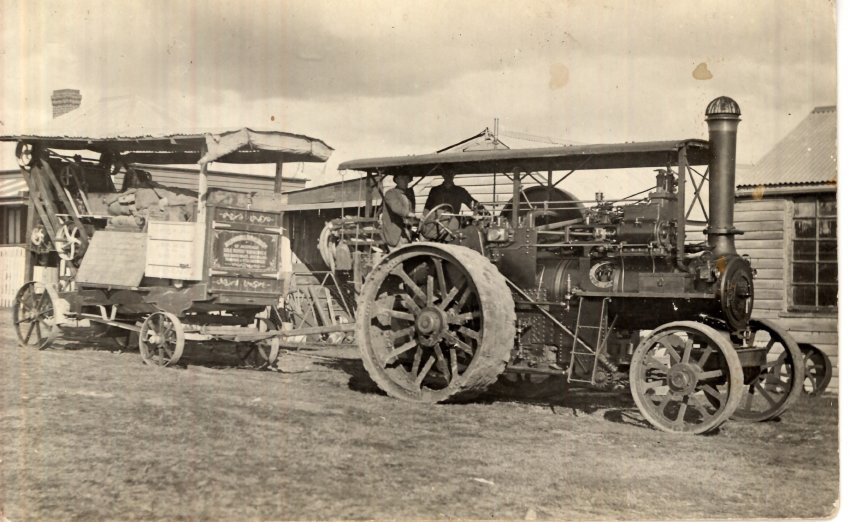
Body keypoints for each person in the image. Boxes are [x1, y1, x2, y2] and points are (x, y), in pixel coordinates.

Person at [381, 174, 417, 247]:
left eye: (407, 179)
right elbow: (396, 208)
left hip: (406, 232)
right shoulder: (390, 193)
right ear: (396, 180)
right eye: (403, 178)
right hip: (395, 233)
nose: (406, 181)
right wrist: (409, 214)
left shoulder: (407, 194)